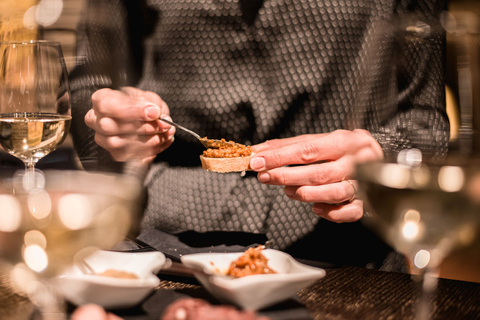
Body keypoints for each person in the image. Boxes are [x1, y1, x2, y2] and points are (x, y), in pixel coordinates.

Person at [68, 0, 449, 271]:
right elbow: (92, 84)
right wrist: (115, 124)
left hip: (348, 259)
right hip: (162, 256)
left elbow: (426, 127)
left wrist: (384, 158)